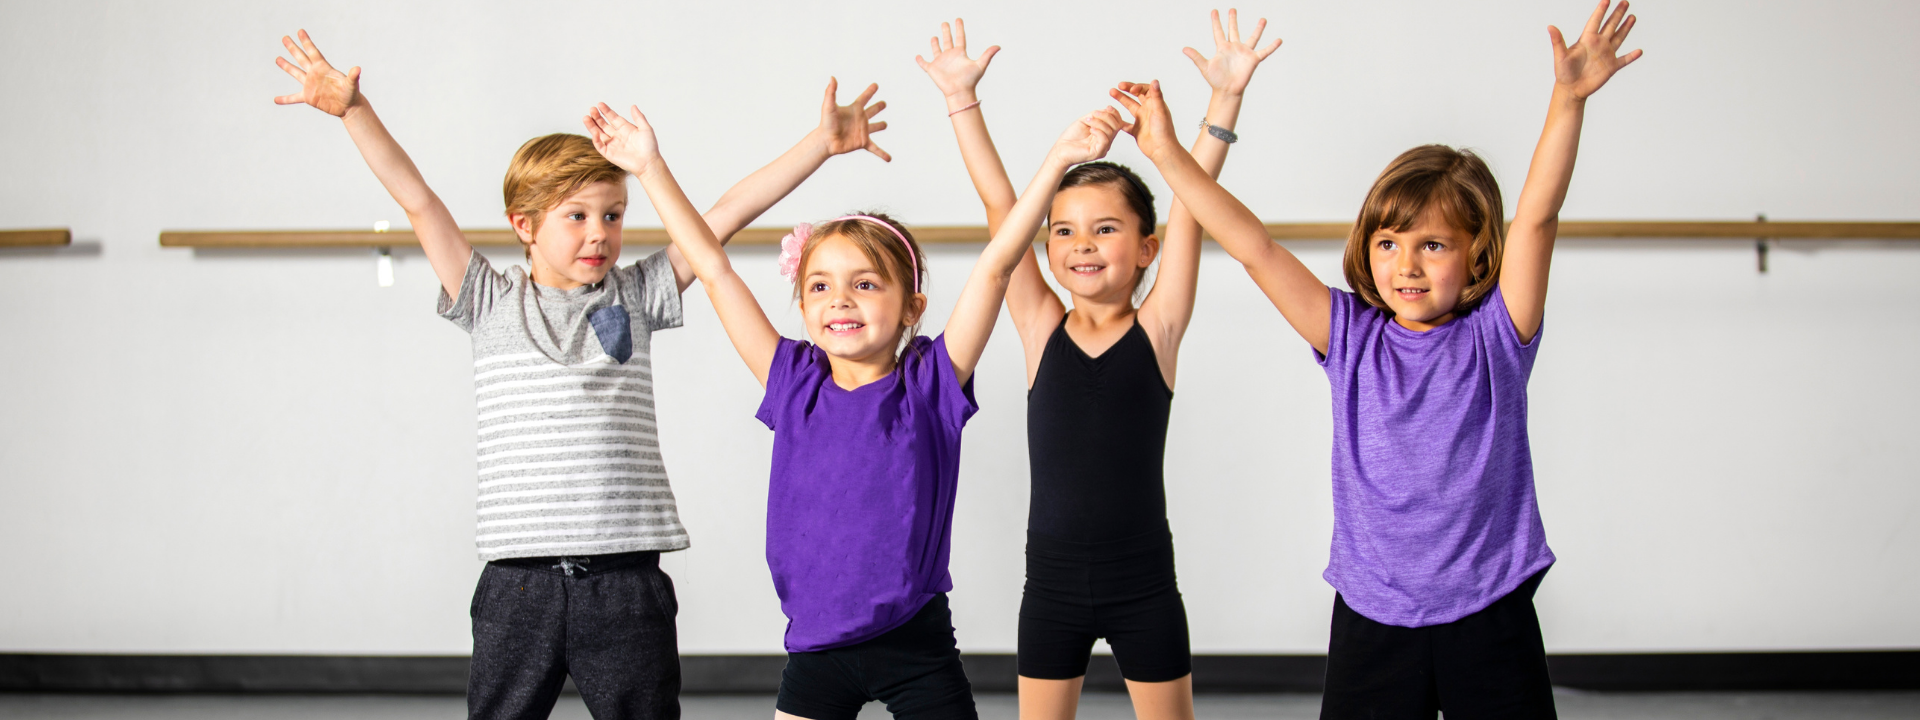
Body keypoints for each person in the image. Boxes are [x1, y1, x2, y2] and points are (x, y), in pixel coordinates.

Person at [270, 29, 891, 720]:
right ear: (524, 225)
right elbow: (418, 201)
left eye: (614, 215)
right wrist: (355, 110)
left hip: (625, 582)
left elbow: (724, 215)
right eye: (578, 217)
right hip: (519, 586)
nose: (600, 232)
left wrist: (820, 144)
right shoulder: (488, 299)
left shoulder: (637, 292)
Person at [1108, 1, 1642, 716]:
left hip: (1487, 609)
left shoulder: (1496, 338)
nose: (1407, 265)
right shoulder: (1350, 335)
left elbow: (1538, 217)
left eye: (1433, 244)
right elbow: (1252, 246)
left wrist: (1567, 100)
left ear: (1478, 253)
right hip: (1374, 612)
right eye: (1390, 243)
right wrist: (1167, 153)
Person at [580, 94, 1125, 720]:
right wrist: (650, 167)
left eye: (865, 284)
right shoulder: (792, 378)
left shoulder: (931, 380)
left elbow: (999, 263)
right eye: (820, 287)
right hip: (816, 651)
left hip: (916, 643)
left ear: (912, 308)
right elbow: (712, 266)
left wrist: (1059, 158)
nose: (840, 301)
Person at [914, 12, 1278, 720]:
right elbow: (1000, 207)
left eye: (1106, 229)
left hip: (1144, 586)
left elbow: (1194, 209)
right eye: (1064, 231)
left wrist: (1224, 102)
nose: (1082, 245)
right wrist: (962, 101)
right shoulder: (1038, 325)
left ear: (1146, 249)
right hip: (1049, 589)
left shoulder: (1160, 327)